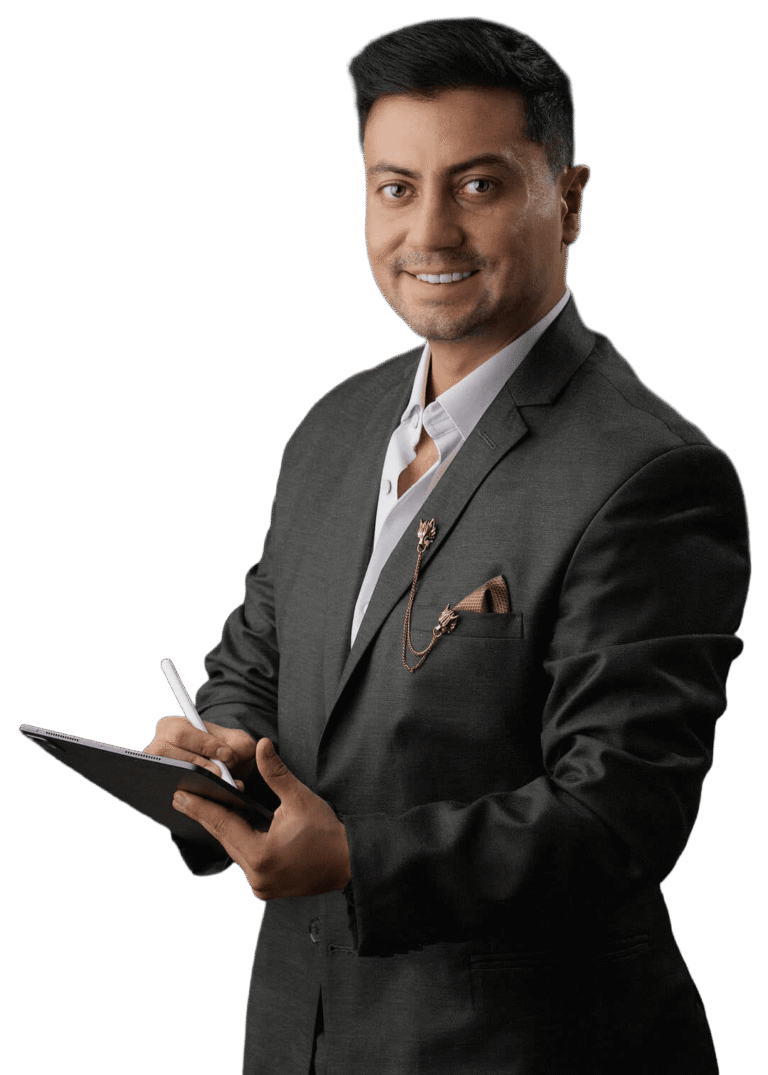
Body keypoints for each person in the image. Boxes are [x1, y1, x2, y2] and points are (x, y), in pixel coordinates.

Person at [144, 16, 750, 1074]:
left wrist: (356, 858)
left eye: (478, 186)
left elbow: (619, 812)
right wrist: (221, 752)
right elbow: (258, 654)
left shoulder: (652, 476)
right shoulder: (332, 425)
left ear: (566, 199)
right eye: (394, 186)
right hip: (299, 1034)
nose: (428, 232)